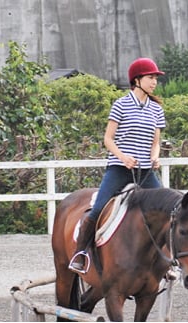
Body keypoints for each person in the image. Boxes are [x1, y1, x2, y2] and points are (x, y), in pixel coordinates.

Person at [69, 57, 166, 274]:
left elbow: (155, 142)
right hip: (119, 169)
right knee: (97, 209)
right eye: (151, 78)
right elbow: (108, 139)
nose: (154, 82)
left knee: (166, 209)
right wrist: (123, 157)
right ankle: (80, 253)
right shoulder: (121, 105)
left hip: (145, 172)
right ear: (137, 79)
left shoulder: (156, 109)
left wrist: (155, 157)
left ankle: (165, 259)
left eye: (155, 79)